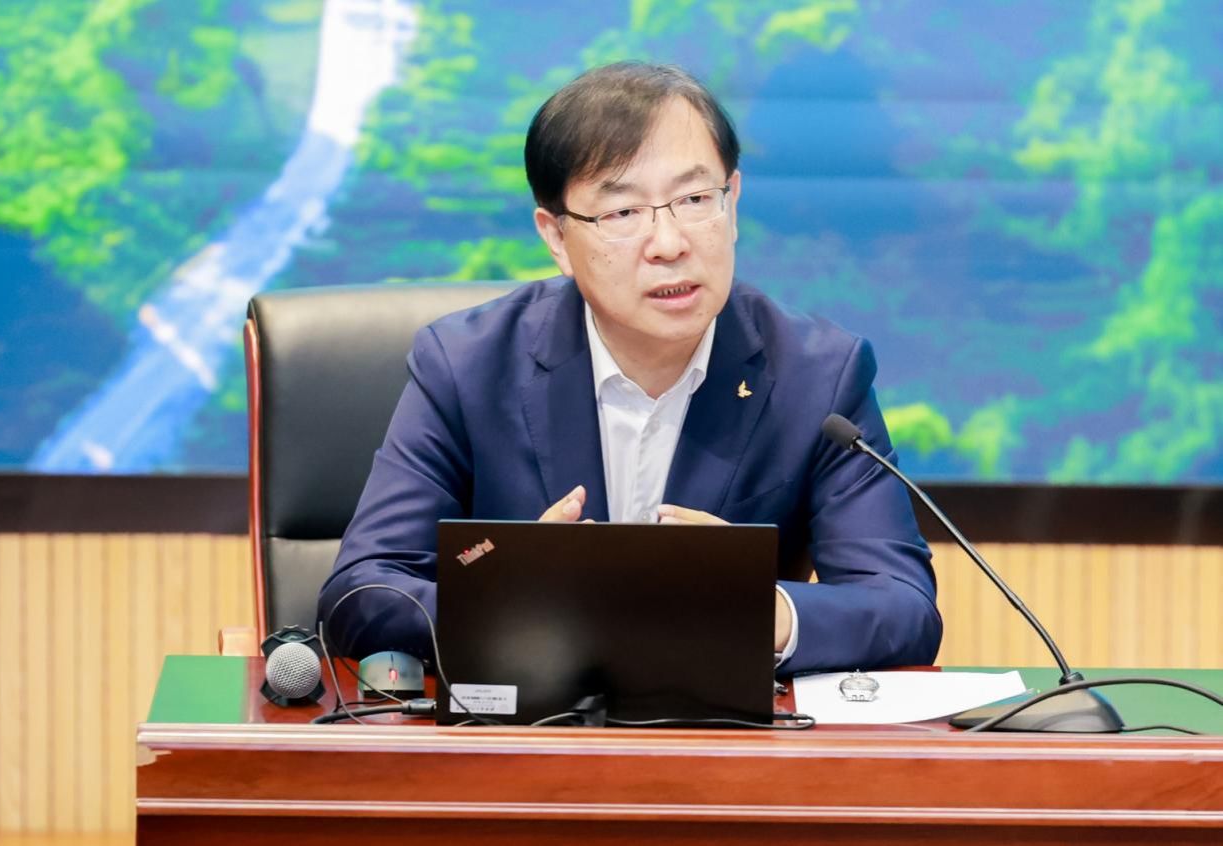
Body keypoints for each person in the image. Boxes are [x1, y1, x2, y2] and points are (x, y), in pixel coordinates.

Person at [319, 61, 942, 674]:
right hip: (525, 727)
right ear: (557, 238)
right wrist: (509, 598)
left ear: (733, 202)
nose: (669, 244)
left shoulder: (818, 376)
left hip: (719, 729)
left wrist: (758, 606)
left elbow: (903, 607)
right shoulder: (467, 365)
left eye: (695, 199)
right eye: (622, 213)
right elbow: (360, 593)